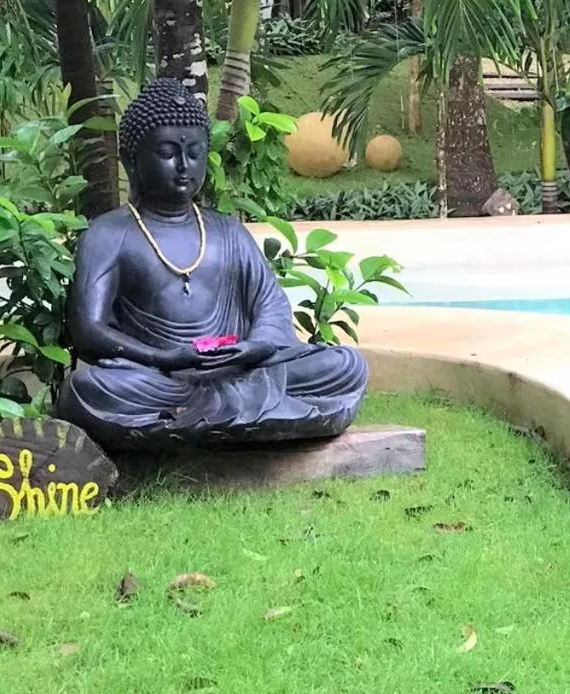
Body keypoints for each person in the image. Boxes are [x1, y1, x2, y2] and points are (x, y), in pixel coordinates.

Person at [57, 79, 367, 449]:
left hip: (240, 370)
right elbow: (89, 330)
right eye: (167, 152)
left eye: (195, 152)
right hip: (159, 378)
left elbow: (271, 307)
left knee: (346, 365)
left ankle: (199, 423)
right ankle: (252, 419)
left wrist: (255, 346)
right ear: (132, 161)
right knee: (87, 388)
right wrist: (163, 356)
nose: (184, 166)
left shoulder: (226, 231)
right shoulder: (109, 233)